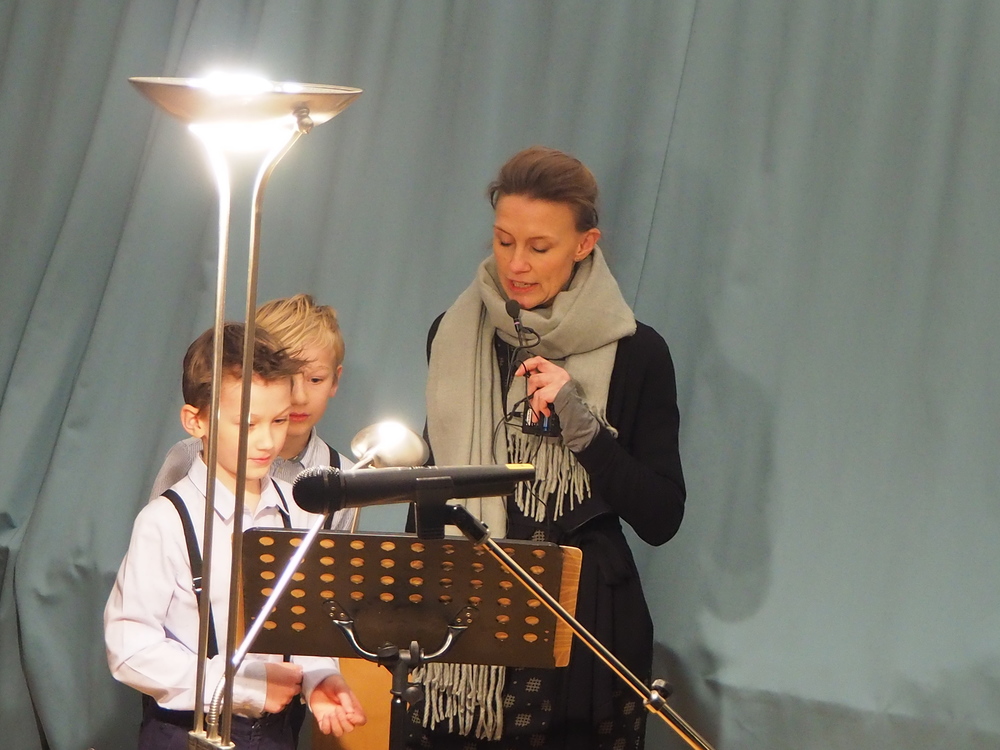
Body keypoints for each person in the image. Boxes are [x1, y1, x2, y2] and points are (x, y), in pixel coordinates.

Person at [411, 147, 686, 749]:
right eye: (504, 240)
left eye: (540, 247)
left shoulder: (638, 353)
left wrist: (583, 428)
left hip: (583, 623)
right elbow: (434, 485)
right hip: (466, 613)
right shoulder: (453, 334)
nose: (516, 264)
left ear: (585, 244)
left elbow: (662, 517)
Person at [105, 322, 367, 749]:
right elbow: (129, 648)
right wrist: (239, 687)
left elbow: (302, 624)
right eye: (248, 424)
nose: (267, 441)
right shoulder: (165, 522)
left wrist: (320, 677)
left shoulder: (300, 511)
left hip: (278, 733)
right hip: (185, 731)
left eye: (279, 420)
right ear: (195, 421)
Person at [149, 294, 356, 532]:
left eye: (316, 379)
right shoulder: (189, 455)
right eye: (285, 378)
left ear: (335, 380)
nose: (299, 397)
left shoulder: (343, 476)